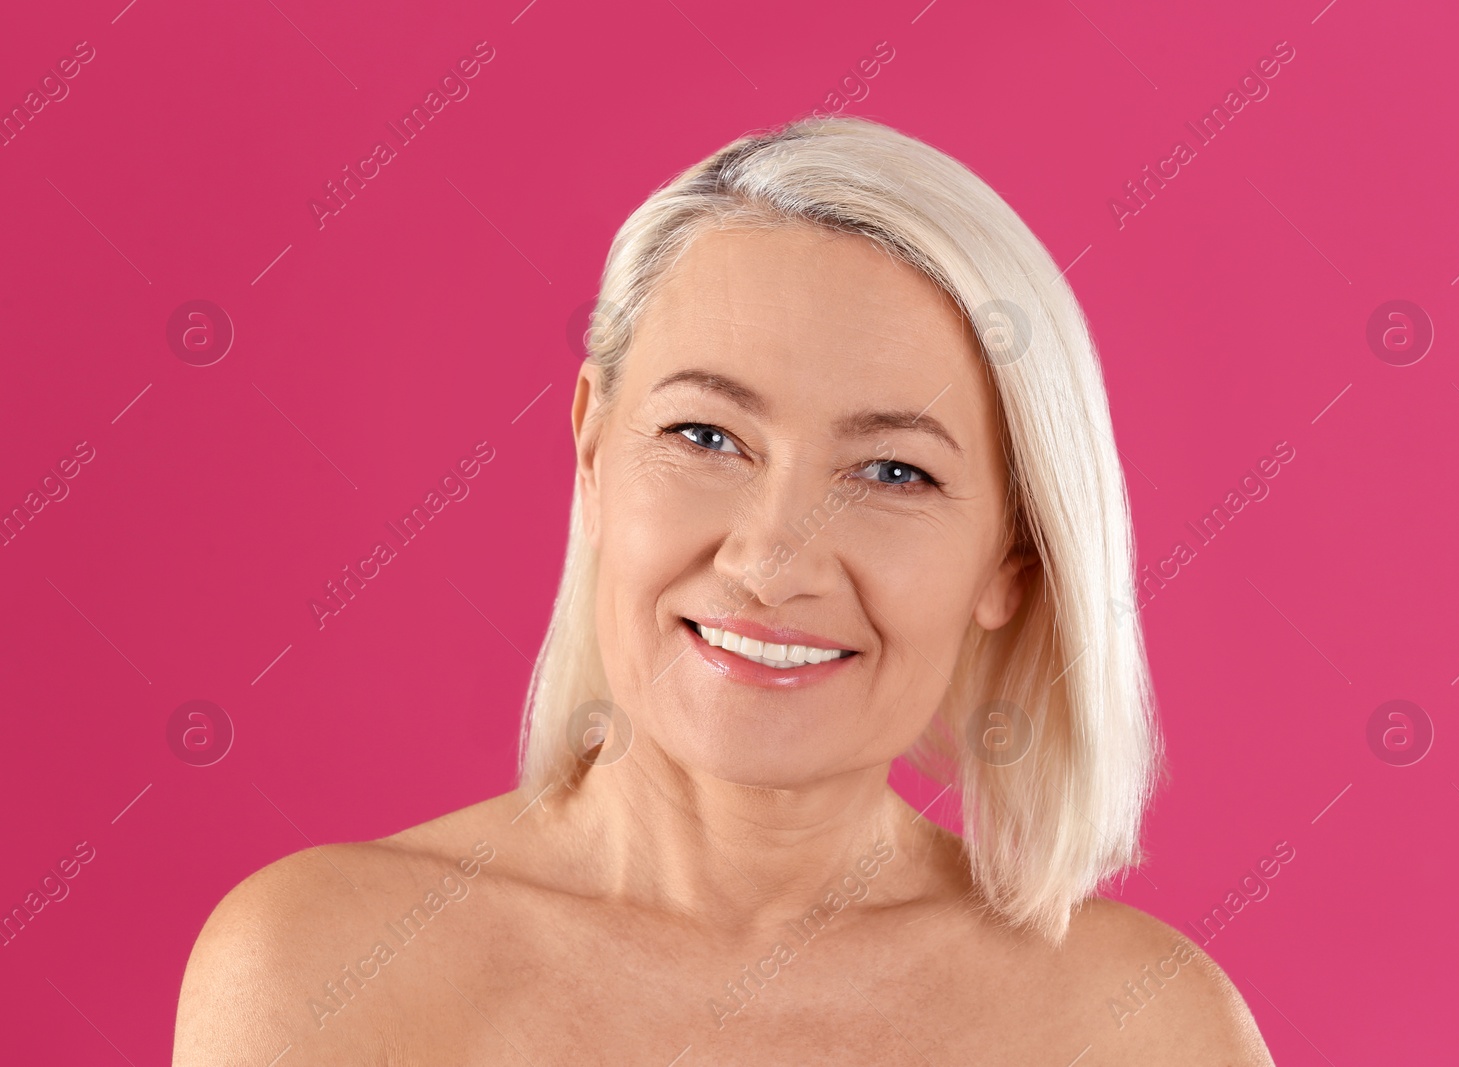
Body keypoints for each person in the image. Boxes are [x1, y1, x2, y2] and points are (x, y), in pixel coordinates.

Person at [173, 115, 1273, 1064]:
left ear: (1010, 561)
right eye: (706, 434)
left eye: (894, 470)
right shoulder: (320, 969)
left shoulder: (1138, 1028)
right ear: (594, 450)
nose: (770, 559)